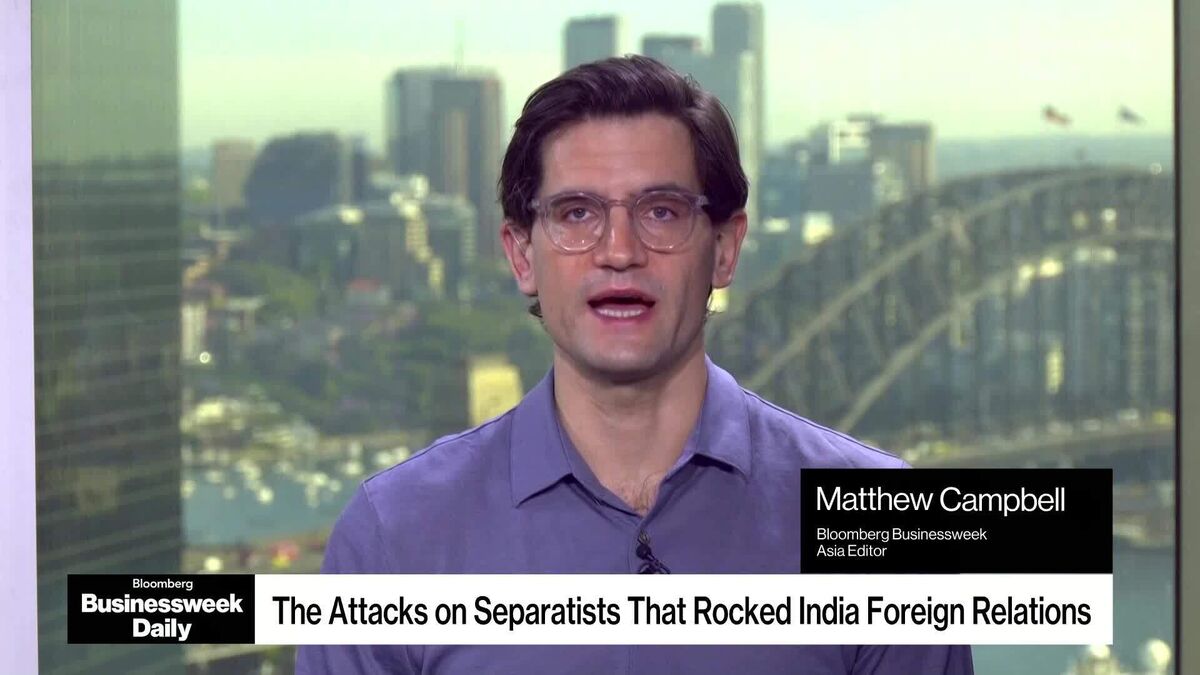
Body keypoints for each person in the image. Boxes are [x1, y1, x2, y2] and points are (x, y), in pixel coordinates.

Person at [297, 56, 973, 674]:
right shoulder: (393, 537)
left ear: (725, 248)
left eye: (661, 211)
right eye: (576, 213)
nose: (619, 251)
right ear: (522, 255)